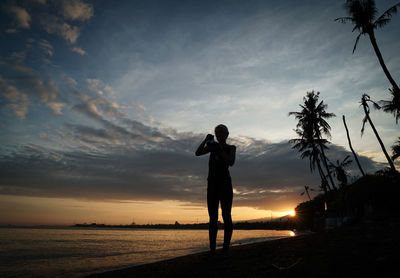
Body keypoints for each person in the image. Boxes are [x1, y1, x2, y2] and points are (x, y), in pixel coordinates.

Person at [195, 124, 236, 255]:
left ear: (227, 134)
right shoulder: (212, 147)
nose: (219, 135)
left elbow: (230, 161)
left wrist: (219, 150)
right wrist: (206, 140)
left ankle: (225, 248)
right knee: (212, 218)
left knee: (226, 215)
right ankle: (212, 249)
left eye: (222, 132)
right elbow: (198, 153)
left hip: (225, 184)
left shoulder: (231, 148)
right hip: (212, 184)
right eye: (217, 132)